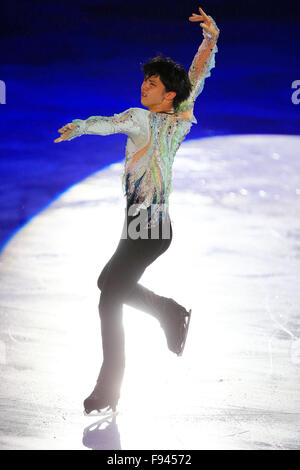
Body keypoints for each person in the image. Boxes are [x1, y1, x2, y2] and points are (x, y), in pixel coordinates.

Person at [54, 7, 220, 416]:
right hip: (150, 228)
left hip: (146, 227)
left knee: (109, 301)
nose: (144, 86)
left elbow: (108, 123)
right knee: (107, 283)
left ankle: (108, 388)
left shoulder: (142, 119)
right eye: (145, 79)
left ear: (167, 94)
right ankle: (168, 310)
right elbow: (195, 79)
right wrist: (210, 39)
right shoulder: (180, 117)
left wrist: (78, 126)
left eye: (153, 82)